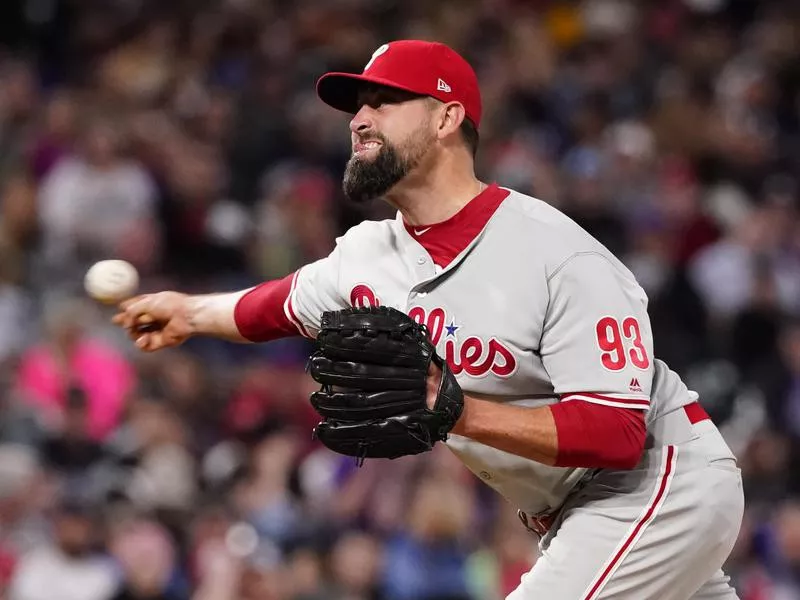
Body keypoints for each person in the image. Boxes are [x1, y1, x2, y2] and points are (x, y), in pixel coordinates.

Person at [113, 40, 744, 599]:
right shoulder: (367, 254)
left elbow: (617, 432)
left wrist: (458, 411)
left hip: (658, 480)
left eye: (385, 101)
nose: (359, 119)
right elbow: (274, 306)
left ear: (447, 117)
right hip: (576, 510)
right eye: (357, 105)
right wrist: (189, 312)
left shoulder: (557, 253)